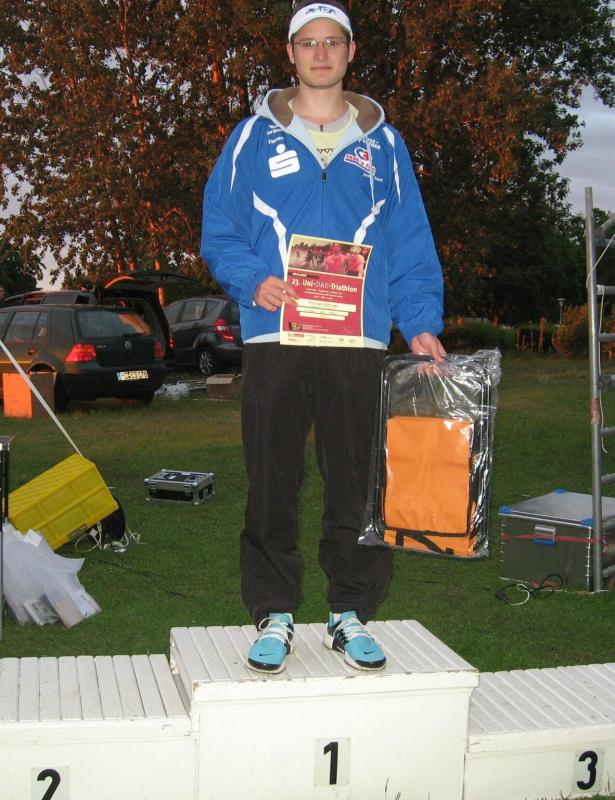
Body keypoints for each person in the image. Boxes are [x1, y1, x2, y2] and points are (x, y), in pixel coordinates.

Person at [201, 0, 445, 674]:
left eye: (331, 41)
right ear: (290, 53)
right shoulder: (252, 138)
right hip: (275, 333)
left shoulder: (384, 145)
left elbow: (409, 241)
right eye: (307, 42)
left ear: (349, 51)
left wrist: (420, 323)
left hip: (356, 340)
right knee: (270, 478)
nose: (320, 53)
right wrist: (253, 280)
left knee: (357, 483)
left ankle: (350, 612)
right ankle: (273, 612)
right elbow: (220, 227)